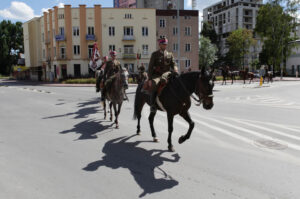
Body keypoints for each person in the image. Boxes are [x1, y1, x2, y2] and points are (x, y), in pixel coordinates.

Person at [147, 37, 177, 112]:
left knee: (177, 83)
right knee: (155, 84)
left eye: (165, 44)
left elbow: (174, 64)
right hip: (157, 75)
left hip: (167, 74)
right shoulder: (155, 54)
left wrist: (175, 69)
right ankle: (153, 105)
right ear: (159, 45)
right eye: (163, 44)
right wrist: (150, 79)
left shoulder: (170, 54)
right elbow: (150, 67)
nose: (164, 45)